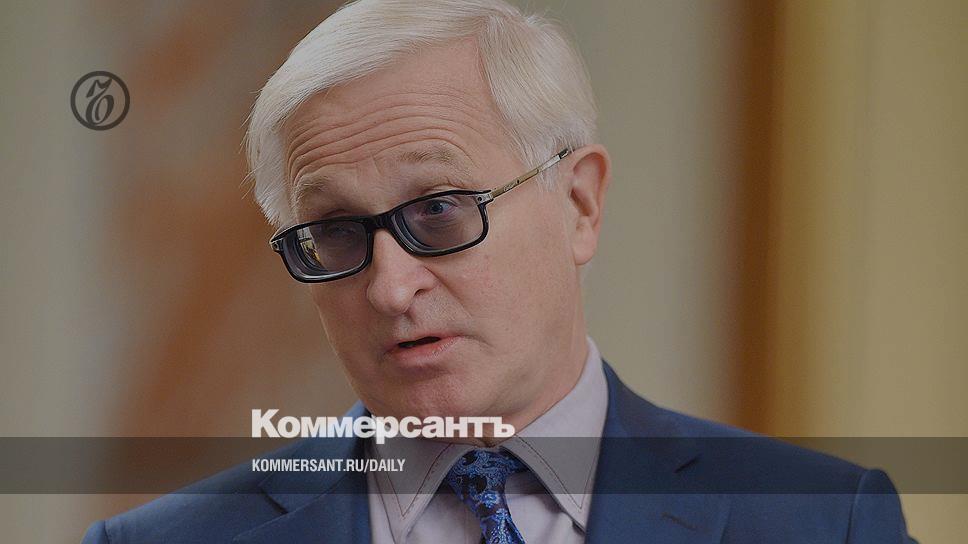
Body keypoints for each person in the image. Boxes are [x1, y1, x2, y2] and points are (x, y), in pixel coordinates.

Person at [83, 1, 917, 542]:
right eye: (334, 232)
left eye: (441, 210)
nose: (389, 288)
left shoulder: (822, 522)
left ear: (580, 204)